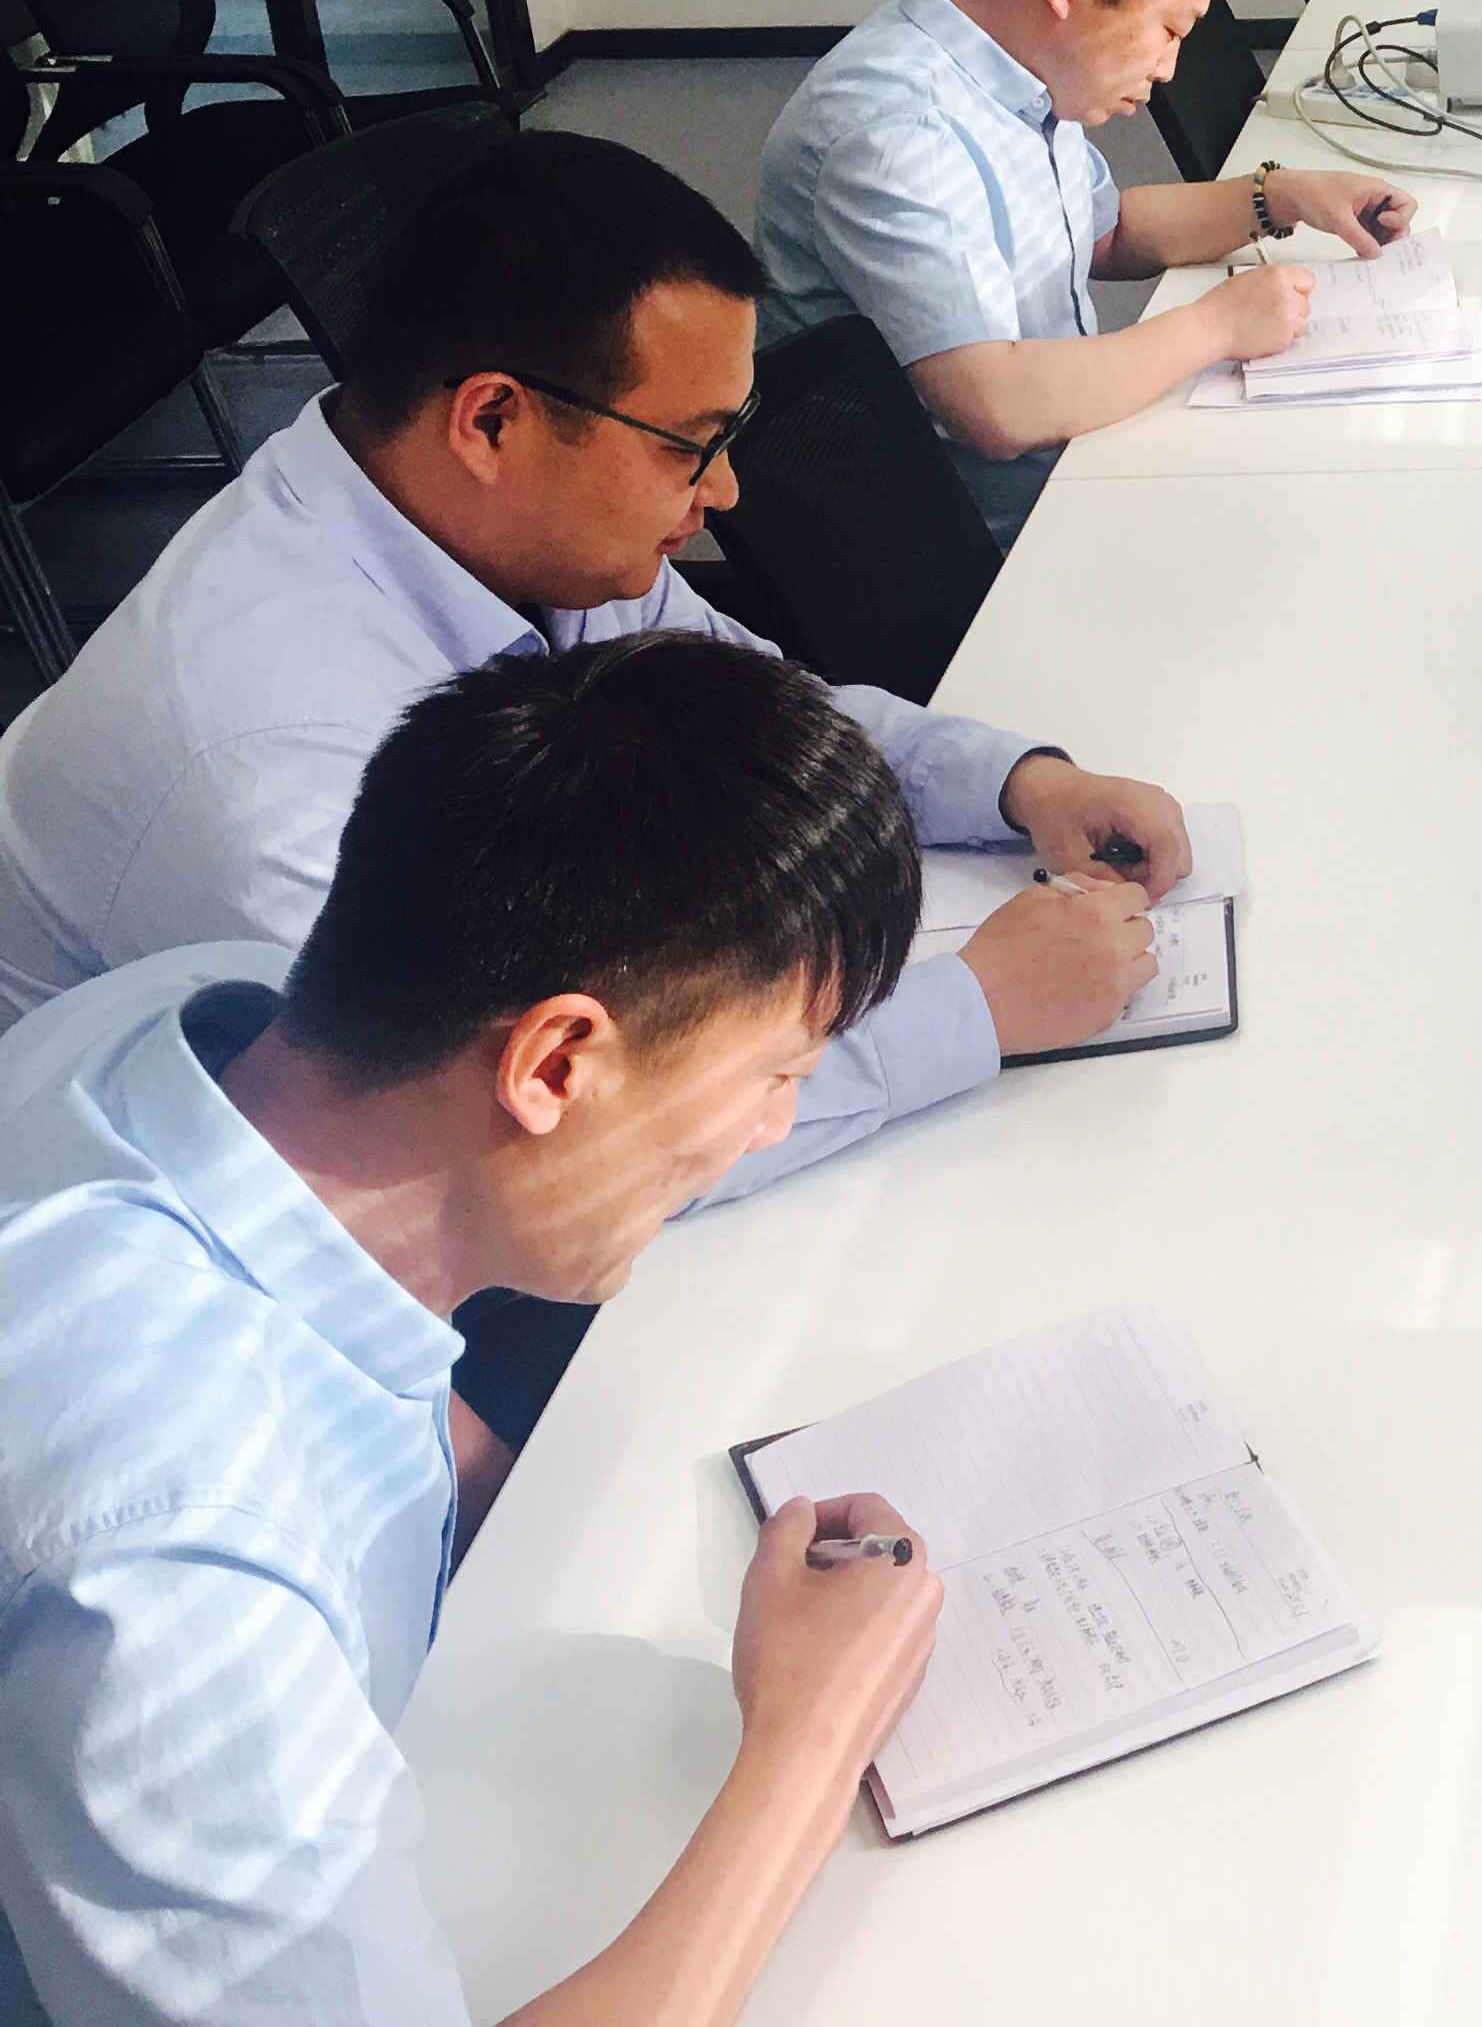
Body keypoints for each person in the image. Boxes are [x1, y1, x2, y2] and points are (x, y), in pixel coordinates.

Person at [0, 133, 1175, 1463]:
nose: (725, 491)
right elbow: (533, 1132)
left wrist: (1017, 783)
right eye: (692, 447)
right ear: (493, 421)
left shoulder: (494, 523)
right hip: (215, 1323)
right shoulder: (270, 755)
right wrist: (979, 1009)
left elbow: (760, 719)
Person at [0, 636, 947, 2025]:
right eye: (774, 1074)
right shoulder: (186, 1583)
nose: (769, 1128)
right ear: (555, 1061)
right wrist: (812, 1739)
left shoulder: (204, 1013)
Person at [757, 0, 1421, 543]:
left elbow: (1106, 234)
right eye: (1170, 30)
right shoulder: (894, 133)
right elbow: (996, 407)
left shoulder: (1019, 69)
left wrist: (1283, 196)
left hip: (1075, 463)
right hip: (984, 547)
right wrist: (1217, 324)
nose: (1169, 69)